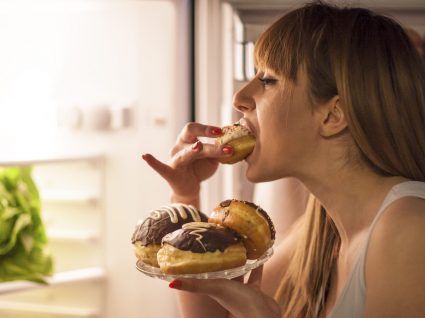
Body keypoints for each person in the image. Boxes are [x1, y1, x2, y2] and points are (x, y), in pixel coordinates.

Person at [142, 1, 425, 317]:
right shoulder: (323, 229)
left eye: (267, 80)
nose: (239, 99)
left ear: (333, 115)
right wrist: (186, 194)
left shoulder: (409, 231)